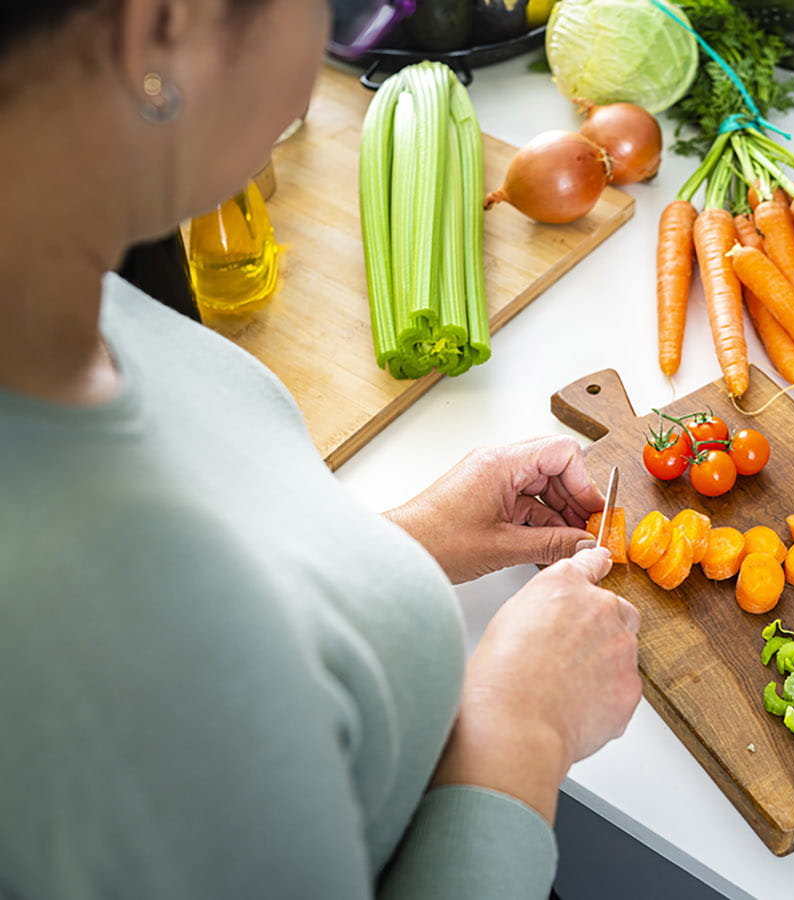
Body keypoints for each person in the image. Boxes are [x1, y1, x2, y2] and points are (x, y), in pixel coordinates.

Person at [0, 1, 643, 896]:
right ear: (163, 31)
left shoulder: (61, 279)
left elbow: (226, 666)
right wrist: (518, 738)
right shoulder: (83, 624)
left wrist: (400, 549)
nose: (336, 57)